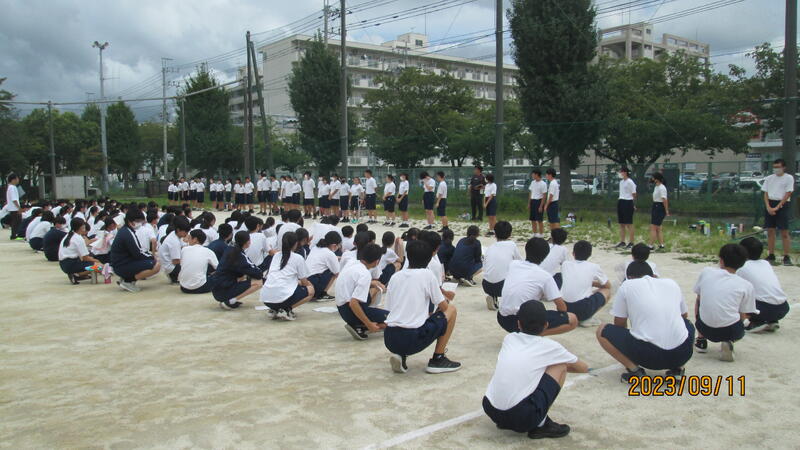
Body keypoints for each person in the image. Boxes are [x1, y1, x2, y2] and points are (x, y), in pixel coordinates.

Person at [483, 300, 588, 440]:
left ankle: (506, 420)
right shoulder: (550, 346)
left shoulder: (509, 338)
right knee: (559, 366)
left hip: (490, 408)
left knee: (526, 369)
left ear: (518, 324)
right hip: (521, 416)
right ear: (546, 325)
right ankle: (541, 425)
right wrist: (548, 367)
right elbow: (583, 368)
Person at [596, 261, 694, 382]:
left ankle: (634, 371)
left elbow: (619, 323)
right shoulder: (671, 283)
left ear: (629, 277)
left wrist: (629, 341)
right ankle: (678, 369)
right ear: (653, 275)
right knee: (687, 324)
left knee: (602, 330)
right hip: (682, 353)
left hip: (649, 357)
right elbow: (684, 315)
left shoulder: (627, 285)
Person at [383, 240, 461, 374]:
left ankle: (401, 355)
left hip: (390, 337)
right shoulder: (427, 275)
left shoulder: (395, 276)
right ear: (429, 259)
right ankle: (438, 358)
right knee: (451, 309)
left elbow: (389, 309)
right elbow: (444, 307)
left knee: (408, 317)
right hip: (412, 338)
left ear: (408, 256)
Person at [498, 237, 577, 336]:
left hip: (502, 318)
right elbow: (562, 307)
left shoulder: (513, 264)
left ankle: (527, 333)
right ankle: (533, 335)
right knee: (572, 319)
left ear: (526, 249)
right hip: (521, 322)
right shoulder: (544, 276)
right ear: (545, 256)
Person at [693, 244, 756, 362]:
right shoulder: (746, 285)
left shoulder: (706, 272)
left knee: (699, 299)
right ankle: (728, 341)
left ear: (721, 260)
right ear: (743, 263)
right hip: (730, 330)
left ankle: (701, 340)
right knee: (740, 313)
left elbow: (699, 297)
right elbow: (744, 314)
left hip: (704, 327)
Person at [336, 243, 389, 340]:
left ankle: (360, 324)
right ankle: (361, 327)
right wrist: (368, 324)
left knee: (372, 290)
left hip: (341, 308)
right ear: (377, 262)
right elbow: (353, 303)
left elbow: (353, 281)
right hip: (350, 311)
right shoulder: (365, 274)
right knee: (394, 319)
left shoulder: (352, 262)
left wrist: (372, 283)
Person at [737, 237, 790, 333]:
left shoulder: (741, 267)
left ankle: (750, 324)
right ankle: (772, 321)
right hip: (783, 308)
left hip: (762, 309)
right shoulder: (766, 263)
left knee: (736, 297)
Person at [260, 232, 315, 320]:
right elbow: (304, 282)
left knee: (287, 286)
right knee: (311, 290)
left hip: (266, 298)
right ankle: (286, 310)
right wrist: (309, 285)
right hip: (282, 297)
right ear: (296, 243)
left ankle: (274, 309)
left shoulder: (276, 256)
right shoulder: (297, 258)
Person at [560, 241, 611, 327]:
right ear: (590, 254)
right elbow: (608, 285)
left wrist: (589, 282)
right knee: (607, 291)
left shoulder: (565, 264)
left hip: (564, 307)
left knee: (585, 292)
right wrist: (592, 283)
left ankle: (580, 316)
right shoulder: (594, 266)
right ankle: (586, 318)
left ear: (573, 253)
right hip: (581, 308)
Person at [109, 210, 161, 292]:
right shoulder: (128, 233)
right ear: (130, 221)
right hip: (121, 266)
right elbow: (138, 253)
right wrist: (152, 257)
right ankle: (128, 281)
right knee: (156, 265)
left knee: (150, 260)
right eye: (138, 221)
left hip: (119, 263)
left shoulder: (125, 230)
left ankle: (126, 278)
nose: (140, 223)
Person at [212, 231, 263, 309]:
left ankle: (229, 298)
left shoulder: (230, 249)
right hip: (223, 291)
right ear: (247, 242)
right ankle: (230, 301)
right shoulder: (239, 255)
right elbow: (258, 274)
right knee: (258, 282)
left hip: (216, 288)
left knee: (243, 276)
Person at [482, 221, 522, 311]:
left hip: (486, 285)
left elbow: (484, 267)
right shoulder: (512, 245)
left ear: (495, 234)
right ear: (510, 234)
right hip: (502, 286)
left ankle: (493, 296)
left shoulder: (490, 248)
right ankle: (509, 300)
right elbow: (520, 262)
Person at [762, 158, 794, 265]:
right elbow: (765, 193)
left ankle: (786, 256)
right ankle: (771, 254)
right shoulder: (769, 178)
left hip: (782, 204)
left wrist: (778, 207)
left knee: (784, 231)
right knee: (770, 231)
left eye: (778, 167)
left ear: (783, 167)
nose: (776, 169)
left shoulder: (788, 178)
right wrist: (768, 206)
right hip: (770, 203)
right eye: (774, 167)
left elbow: (788, 193)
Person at [59, 218, 101, 284]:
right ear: (80, 227)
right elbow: (85, 258)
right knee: (98, 266)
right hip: (71, 264)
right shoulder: (78, 238)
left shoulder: (68, 235)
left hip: (63, 264)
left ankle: (76, 274)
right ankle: (77, 275)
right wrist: (98, 261)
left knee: (91, 263)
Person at [178, 230, 218, 294]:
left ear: (195, 239)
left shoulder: (184, 249)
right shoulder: (208, 251)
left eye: (189, 238)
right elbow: (219, 268)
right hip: (200, 287)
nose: (188, 240)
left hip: (183, 287)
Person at [306, 231, 341, 300]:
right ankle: (322, 294)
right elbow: (337, 273)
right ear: (334, 245)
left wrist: (336, 258)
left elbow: (322, 257)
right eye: (338, 245)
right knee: (333, 271)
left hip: (306, 281)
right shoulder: (330, 254)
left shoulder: (315, 247)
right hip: (313, 283)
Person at [159, 216, 190, 284]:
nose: (186, 234)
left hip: (167, 264)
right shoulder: (174, 242)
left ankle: (175, 276)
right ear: (178, 230)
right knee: (191, 266)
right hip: (171, 267)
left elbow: (183, 246)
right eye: (185, 232)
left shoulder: (174, 234)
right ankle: (174, 277)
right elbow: (176, 261)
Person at [615, 167, 637, 249]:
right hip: (621, 201)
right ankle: (622, 241)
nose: (620, 174)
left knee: (629, 223)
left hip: (628, 202)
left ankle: (631, 242)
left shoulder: (630, 182)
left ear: (625, 172)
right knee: (621, 224)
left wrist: (633, 204)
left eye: (621, 172)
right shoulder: (621, 182)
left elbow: (634, 194)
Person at [649, 172, 669, 250]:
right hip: (655, 205)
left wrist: (666, 210)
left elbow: (664, 200)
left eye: (653, 177)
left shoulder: (662, 187)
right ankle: (661, 244)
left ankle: (651, 245)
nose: (652, 179)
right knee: (658, 227)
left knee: (653, 227)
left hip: (659, 206)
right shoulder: (656, 187)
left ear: (657, 179)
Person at [528, 170, 548, 237]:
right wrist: (529, 203)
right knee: (533, 219)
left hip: (539, 201)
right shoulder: (532, 182)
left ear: (537, 175)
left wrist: (541, 206)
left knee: (539, 219)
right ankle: (535, 233)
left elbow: (544, 195)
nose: (532, 175)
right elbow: (531, 193)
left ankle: (541, 234)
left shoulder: (543, 184)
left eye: (533, 174)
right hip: (533, 201)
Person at [5, 174, 21, 240]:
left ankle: (14, 235)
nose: (18, 180)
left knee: (15, 221)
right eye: (17, 179)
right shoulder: (12, 187)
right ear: (13, 180)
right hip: (14, 208)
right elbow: (14, 199)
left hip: (13, 208)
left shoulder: (10, 187)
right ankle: (14, 235)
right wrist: (19, 208)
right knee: (16, 221)